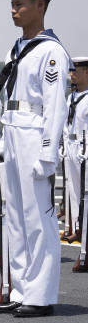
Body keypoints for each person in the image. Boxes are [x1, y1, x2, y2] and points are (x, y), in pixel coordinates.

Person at [0, 0, 70, 317]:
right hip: (13, 135)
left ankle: (40, 294)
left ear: (40, 6)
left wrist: (49, 151)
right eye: (12, 4)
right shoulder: (16, 49)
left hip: (35, 136)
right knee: (17, 218)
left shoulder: (50, 51)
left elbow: (55, 106)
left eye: (21, 4)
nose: (14, 9)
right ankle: (22, 288)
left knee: (39, 218)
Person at [64, 57, 88, 239]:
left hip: (84, 148)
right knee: (74, 191)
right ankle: (78, 228)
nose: (71, 75)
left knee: (85, 192)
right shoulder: (71, 97)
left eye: (75, 71)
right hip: (70, 146)